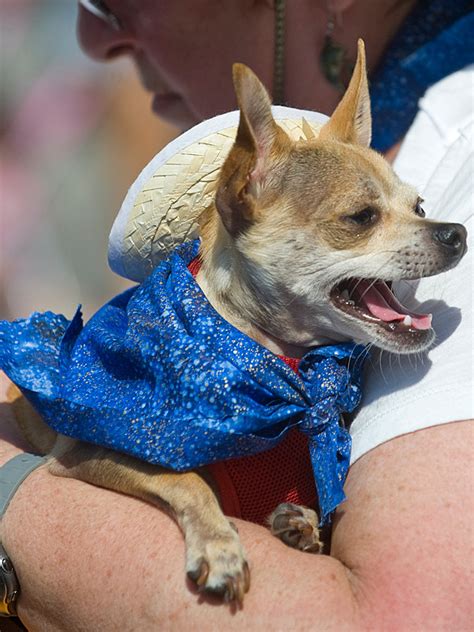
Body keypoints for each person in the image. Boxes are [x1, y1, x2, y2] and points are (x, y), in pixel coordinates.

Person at [0, 1, 472, 629]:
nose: (92, 33)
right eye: (361, 220)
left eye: (115, 2)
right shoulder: (157, 344)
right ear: (248, 186)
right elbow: (90, 450)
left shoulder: (453, 138)